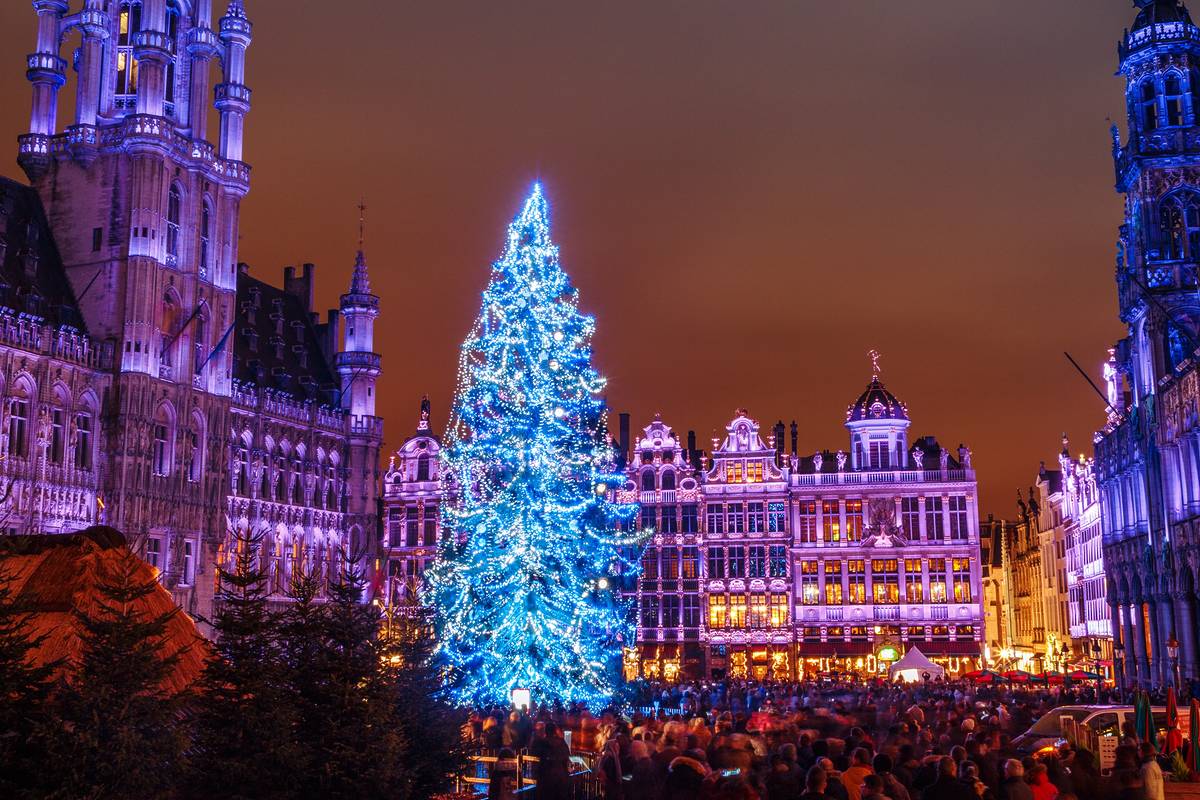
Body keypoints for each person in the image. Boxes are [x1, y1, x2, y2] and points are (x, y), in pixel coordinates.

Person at [529, 721, 572, 800]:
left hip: (546, 776)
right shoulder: (562, 742)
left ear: (545, 731)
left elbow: (534, 755)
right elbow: (567, 756)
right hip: (560, 776)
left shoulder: (541, 742)